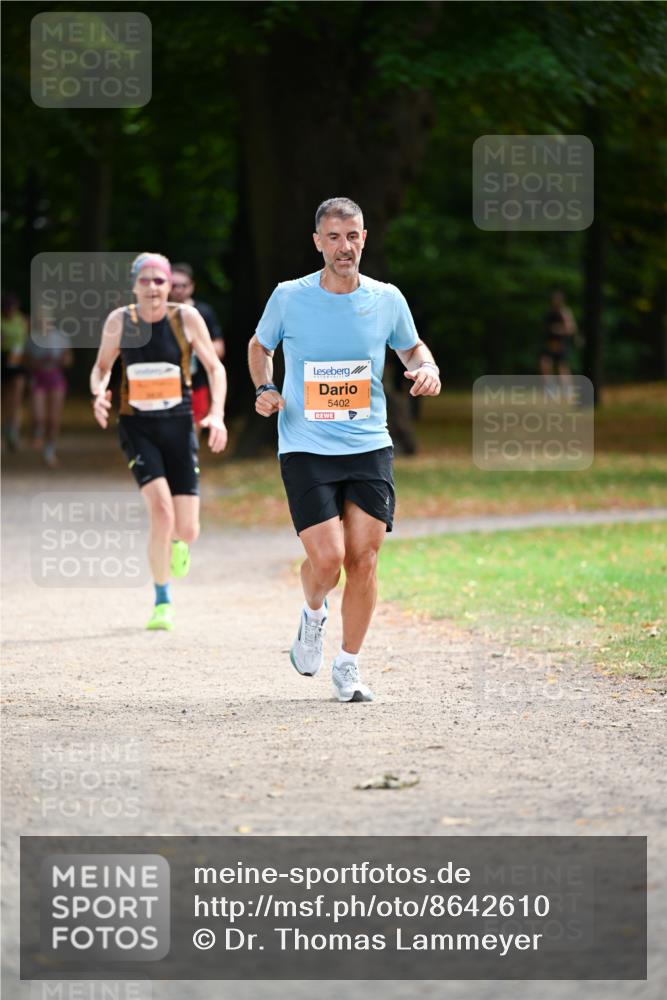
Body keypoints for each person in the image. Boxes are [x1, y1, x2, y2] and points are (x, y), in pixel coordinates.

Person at [248, 197, 441, 702]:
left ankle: (348, 665)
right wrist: (264, 388)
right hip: (305, 446)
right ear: (317, 242)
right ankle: (313, 614)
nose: (344, 247)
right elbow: (259, 346)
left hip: (368, 444)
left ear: (364, 238)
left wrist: (428, 369)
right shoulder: (289, 297)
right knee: (329, 559)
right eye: (333, 237)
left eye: (352, 236)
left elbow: (412, 347)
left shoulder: (386, 299)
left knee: (365, 558)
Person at [90, 253, 228, 630]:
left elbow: (215, 368)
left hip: (179, 426)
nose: (153, 287)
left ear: (170, 286)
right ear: (134, 285)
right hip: (138, 427)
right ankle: (162, 599)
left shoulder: (185, 319)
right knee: (161, 513)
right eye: (145, 280)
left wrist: (215, 413)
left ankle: (178, 544)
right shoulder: (121, 321)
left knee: (187, 529)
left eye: (159, 281)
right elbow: (102, 368)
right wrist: (99, 393)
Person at [169, 262, 225, 432]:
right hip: (166, 384)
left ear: (191, 286)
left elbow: (219, 348)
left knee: (192, 436)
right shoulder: (157, 314)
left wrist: (195, 348)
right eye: (174, 285)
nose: (178, 289)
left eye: (183, 285)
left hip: (196, 384)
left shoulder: (203, 312)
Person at [24, 308, 73, 468]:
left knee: (53, 419)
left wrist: (59, 360)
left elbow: (68, 360)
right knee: (39, 416)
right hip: (38, 378)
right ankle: (37, 433)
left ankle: (49, 450)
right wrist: (38, 362)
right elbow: (25, 361)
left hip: (56, 378)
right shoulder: (32, 339)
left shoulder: (61, 338)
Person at [1, 293, 29, 451]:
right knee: (4, 398)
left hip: (17, 360)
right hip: (2, 359)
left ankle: (13, 429)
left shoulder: (22, 320)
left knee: (16, 397)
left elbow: (25, 340)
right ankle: (6, 425)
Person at [539, 288, 578, 386]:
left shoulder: (565, 312)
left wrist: (558, 329)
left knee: (562, 367)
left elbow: (571, 329)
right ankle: (550, 387)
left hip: (561, 343)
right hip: (550, 342)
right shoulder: (550, 312)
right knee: (545, 364)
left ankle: (568, 388)